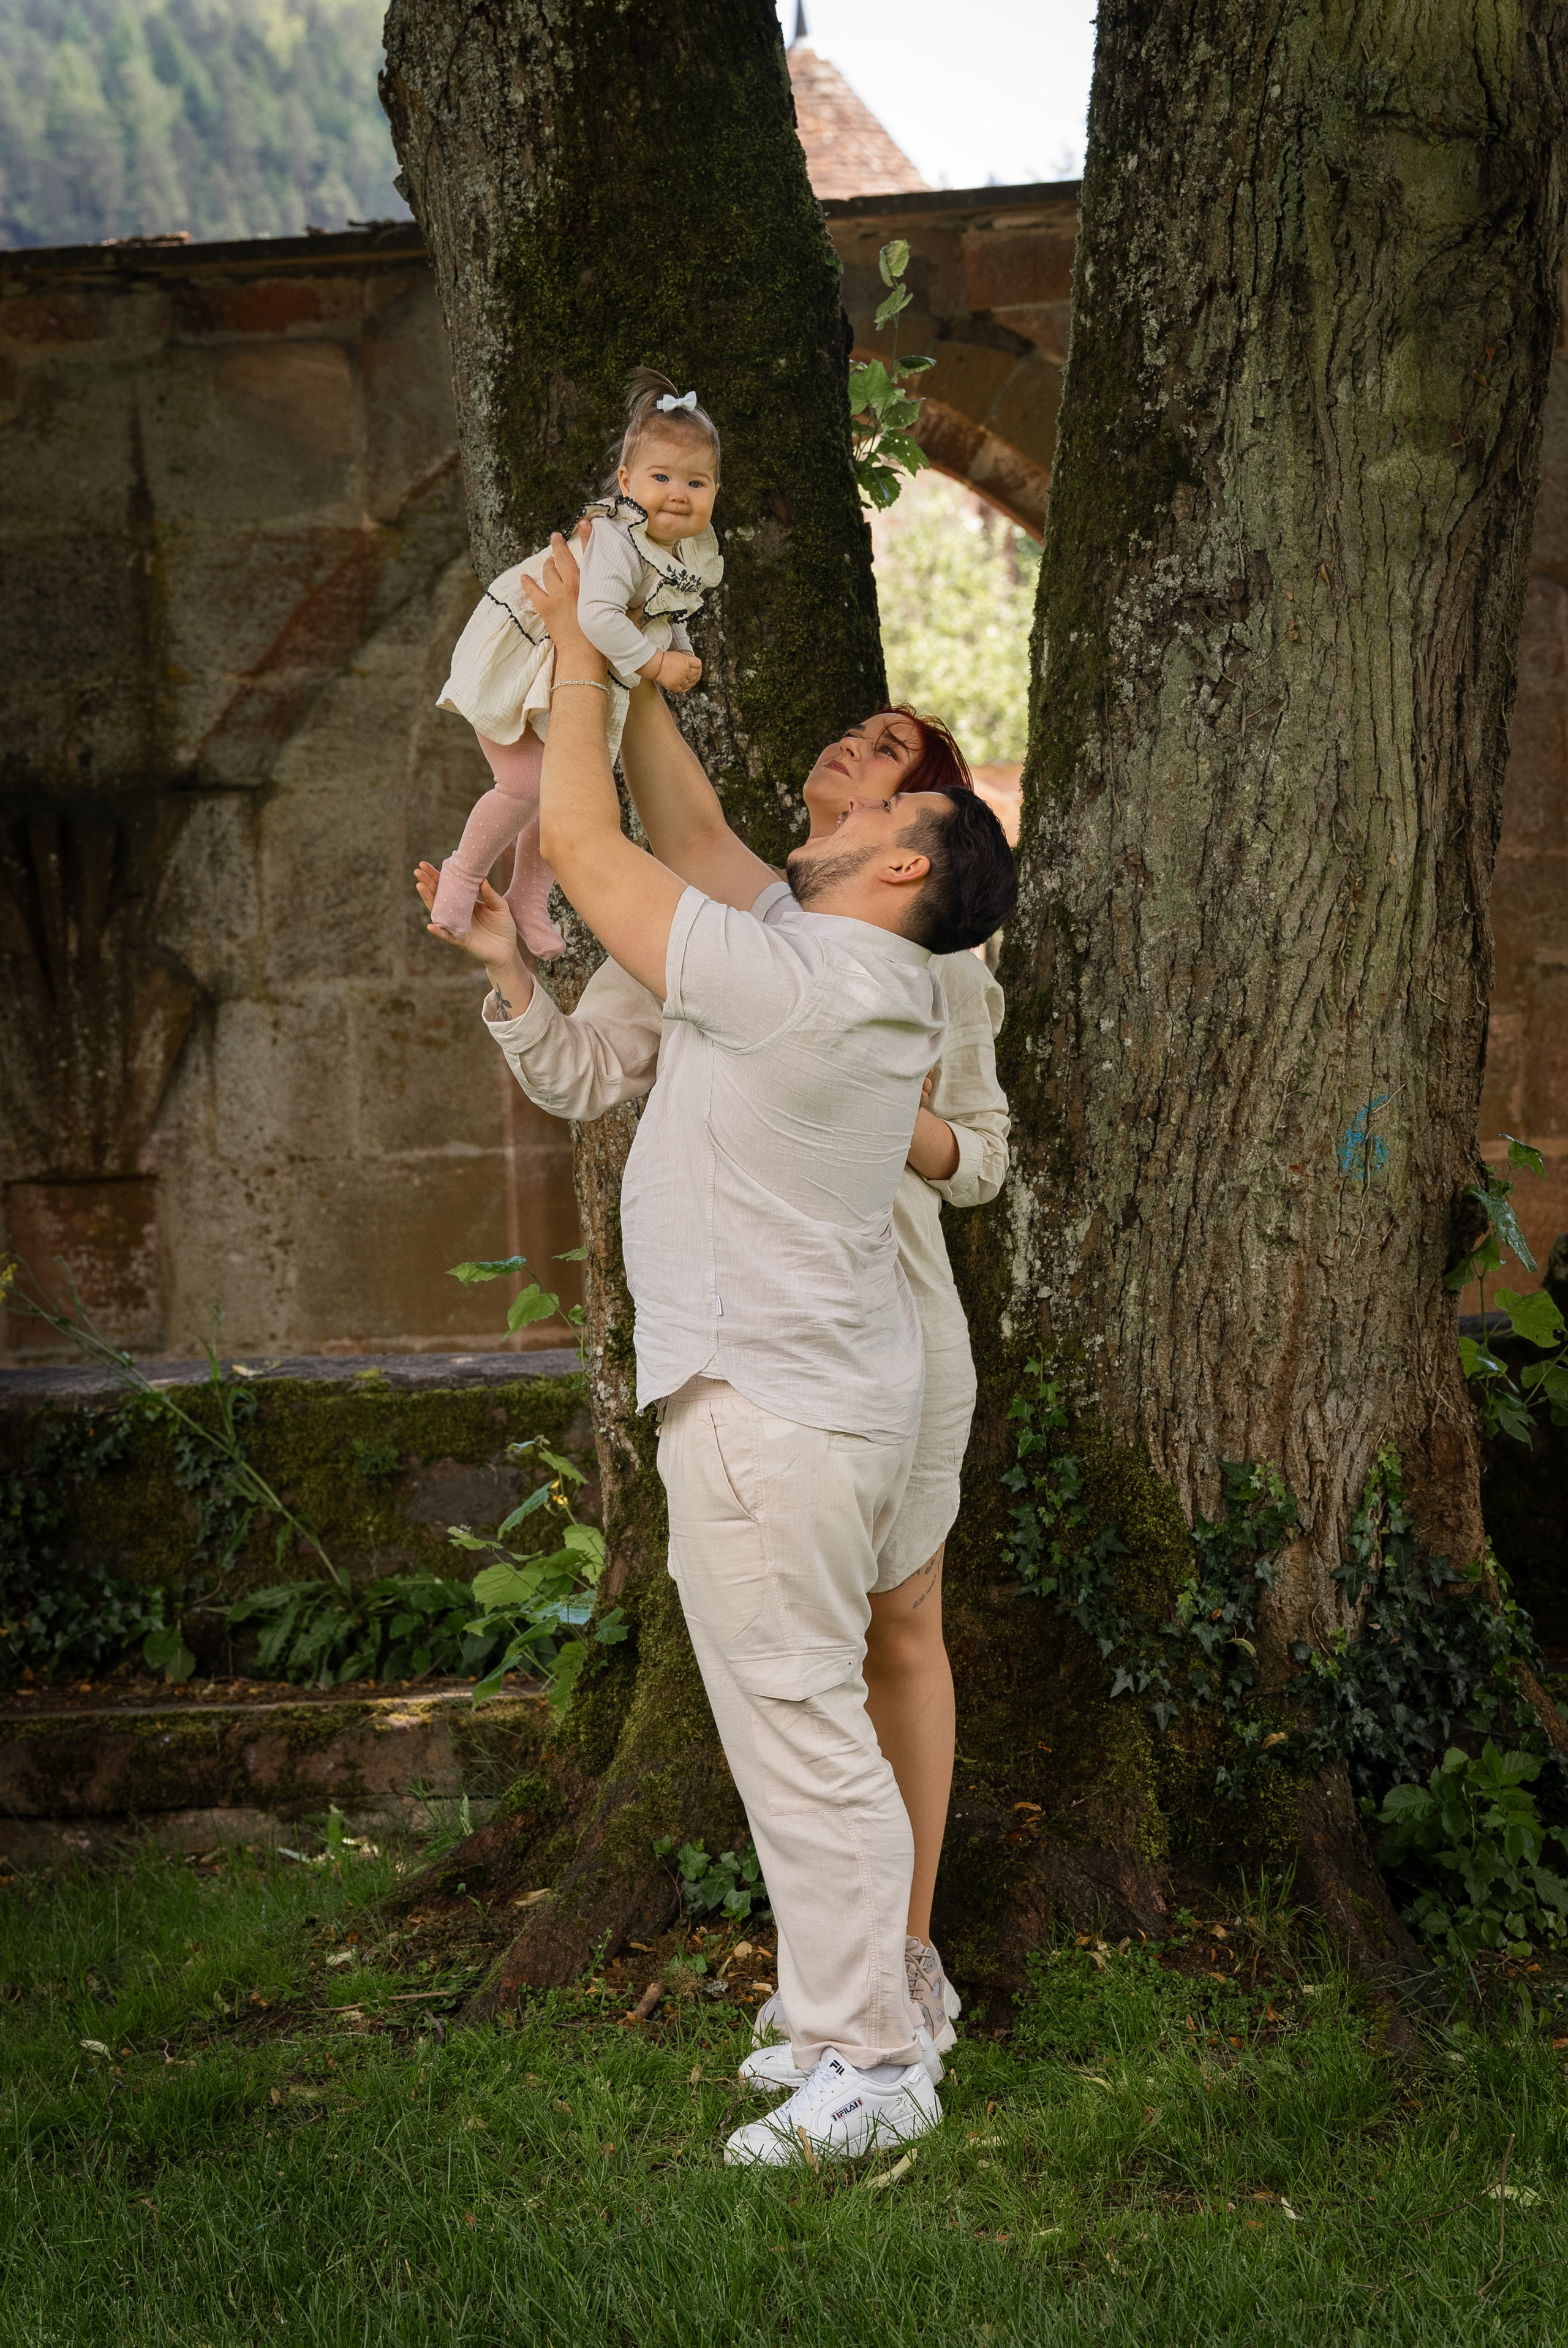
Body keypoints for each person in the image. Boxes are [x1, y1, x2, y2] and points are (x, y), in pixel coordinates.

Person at [420, 531, 1016, 2169]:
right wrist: (603, 629)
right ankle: (857, 2018)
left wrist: (577, 650)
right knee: (800, 1717)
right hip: (808, 1384)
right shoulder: (823, 959)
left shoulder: (806, 981)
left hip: (775, 1398)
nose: (844, 784)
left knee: (800, 1722)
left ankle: (871, 2059)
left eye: (891, 786)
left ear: (909, 865)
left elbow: (598, 844)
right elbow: (665, 842)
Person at [429, 369, 723, 956]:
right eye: (661, 477)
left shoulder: (686, 551)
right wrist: (657, 666)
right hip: (527, 648)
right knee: (525, 781)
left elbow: (667, 608)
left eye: (697, 482)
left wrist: (680, 652)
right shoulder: (618, 537)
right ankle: (462, 875)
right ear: (625, 481)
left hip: (574, 667)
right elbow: (598, 618)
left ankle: (527, 900)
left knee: (564, 786)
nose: (678, 494)